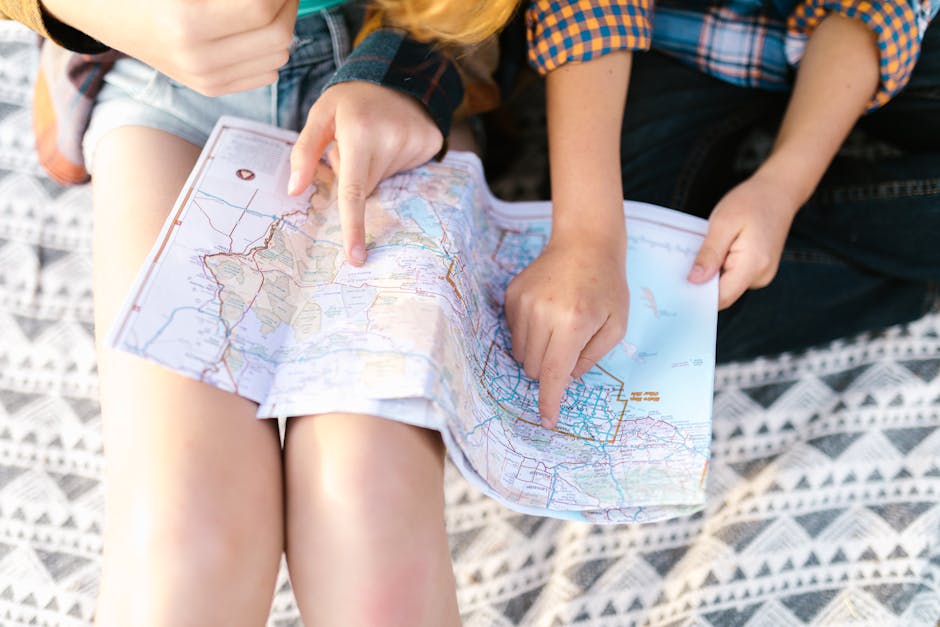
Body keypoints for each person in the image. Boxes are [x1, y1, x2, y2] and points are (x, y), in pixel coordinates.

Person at [0, 0, 509, 624]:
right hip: (158, 77)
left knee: (371, 521)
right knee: (186, 537)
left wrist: (409, 77)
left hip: (410, 62)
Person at [502, 0, 939, 420]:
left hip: (873, 42)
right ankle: (908, 263)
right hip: (673, 37)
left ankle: (758, 235)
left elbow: (879, 6)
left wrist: (783, 187)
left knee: (656, 311)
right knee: (617, 328)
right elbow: (591, 10)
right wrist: (587, 237)